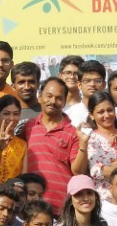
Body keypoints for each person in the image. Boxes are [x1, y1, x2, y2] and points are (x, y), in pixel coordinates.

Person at [22, 76, 89, 212]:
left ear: (64, 102)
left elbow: (78, 171)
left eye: (59, 98)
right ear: (40, 97)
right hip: (30, 207)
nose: (53, 101)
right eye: (49, 96)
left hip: (61, 207)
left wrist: (83, 144)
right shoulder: (28, 127)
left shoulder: (73, 133)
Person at [84, 91, 117, 192]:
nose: (107, 115)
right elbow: (95, 170)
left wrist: (113, 169)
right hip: (105, 199)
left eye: (110, 110)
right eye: (101, 112)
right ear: (92, 115)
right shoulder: (90, 139)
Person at [64, 59, 107, 128]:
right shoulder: (68, 114)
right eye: (87, 81)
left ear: (104, 85)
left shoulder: (114, 113)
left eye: (97, 81)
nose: (92, 84)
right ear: (79, 85)